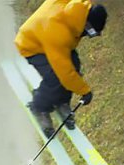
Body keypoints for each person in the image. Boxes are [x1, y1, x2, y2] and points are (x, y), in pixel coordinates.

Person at [15, 0, 108, 136]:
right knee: (55, 77)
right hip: (32, 46)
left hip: (46, 37)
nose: (87, 37)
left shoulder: (77, 8)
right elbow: (65, 73)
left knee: (74, 63)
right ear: (85, 25)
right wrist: (85, 91)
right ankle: (39, 106)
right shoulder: (58, 33)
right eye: (89, 33)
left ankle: (61, 101)